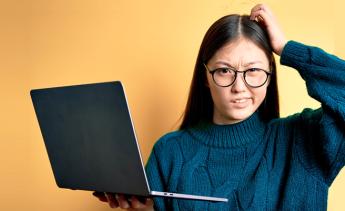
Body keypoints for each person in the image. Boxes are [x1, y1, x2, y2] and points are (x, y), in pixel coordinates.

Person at [93, 3, 345, 210]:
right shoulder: (170, 152)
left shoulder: (305, 140)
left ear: (270, 74)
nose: (239, 86)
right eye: (225, 71)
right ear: (205, 76)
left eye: (254, 70)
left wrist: (287, 48)